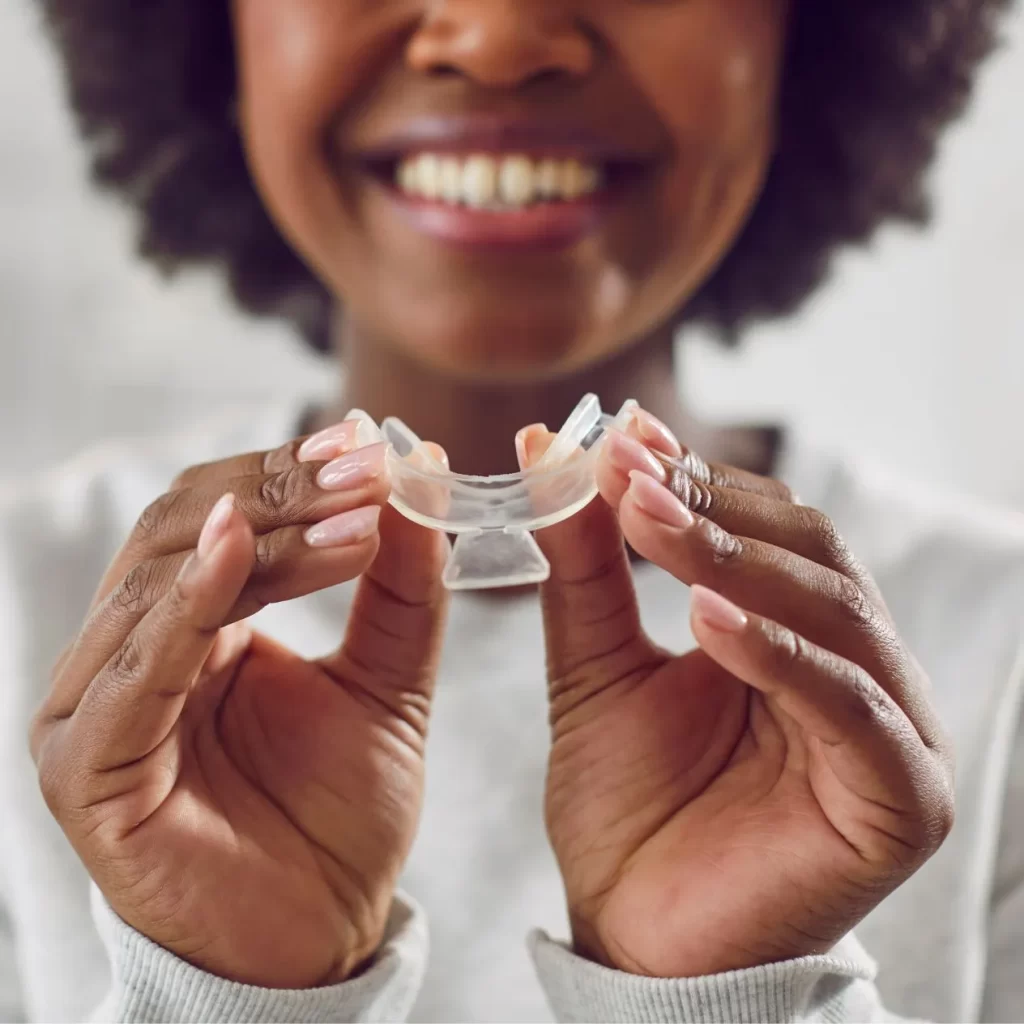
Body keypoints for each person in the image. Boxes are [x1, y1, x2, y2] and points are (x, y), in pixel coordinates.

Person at [1, 0, 1022, 1021]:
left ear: (808, 33)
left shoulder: (1000, 654)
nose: (496, 37)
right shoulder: (21, 610)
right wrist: (218, 998)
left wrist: (729, 998)